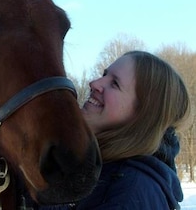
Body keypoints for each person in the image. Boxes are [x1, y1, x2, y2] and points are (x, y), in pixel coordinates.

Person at [38, 50, 190, 210]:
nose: (94, 83)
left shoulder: (129, 193)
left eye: (115, 83)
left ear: (144, 116)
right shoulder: (93, 169)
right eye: (104, 75)